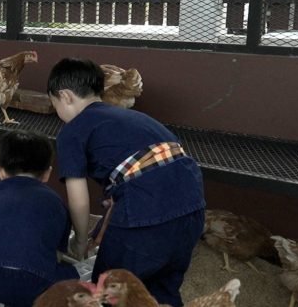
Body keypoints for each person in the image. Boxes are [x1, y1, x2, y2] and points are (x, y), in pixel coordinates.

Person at [47, 57, 205, 307]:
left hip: (147, 212)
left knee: (109, 290)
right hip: (193, 208)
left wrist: (78, 240)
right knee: (161, 290)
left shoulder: (73, 129)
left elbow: (78, 197)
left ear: (65, 96)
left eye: (54, 103)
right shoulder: (137, 119)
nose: (57, 112)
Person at [0, 130, 79, 307]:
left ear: (0, 172)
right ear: (47, 173)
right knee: (69, 274)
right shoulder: (56, 202)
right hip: (29, 279)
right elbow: (58, 251)